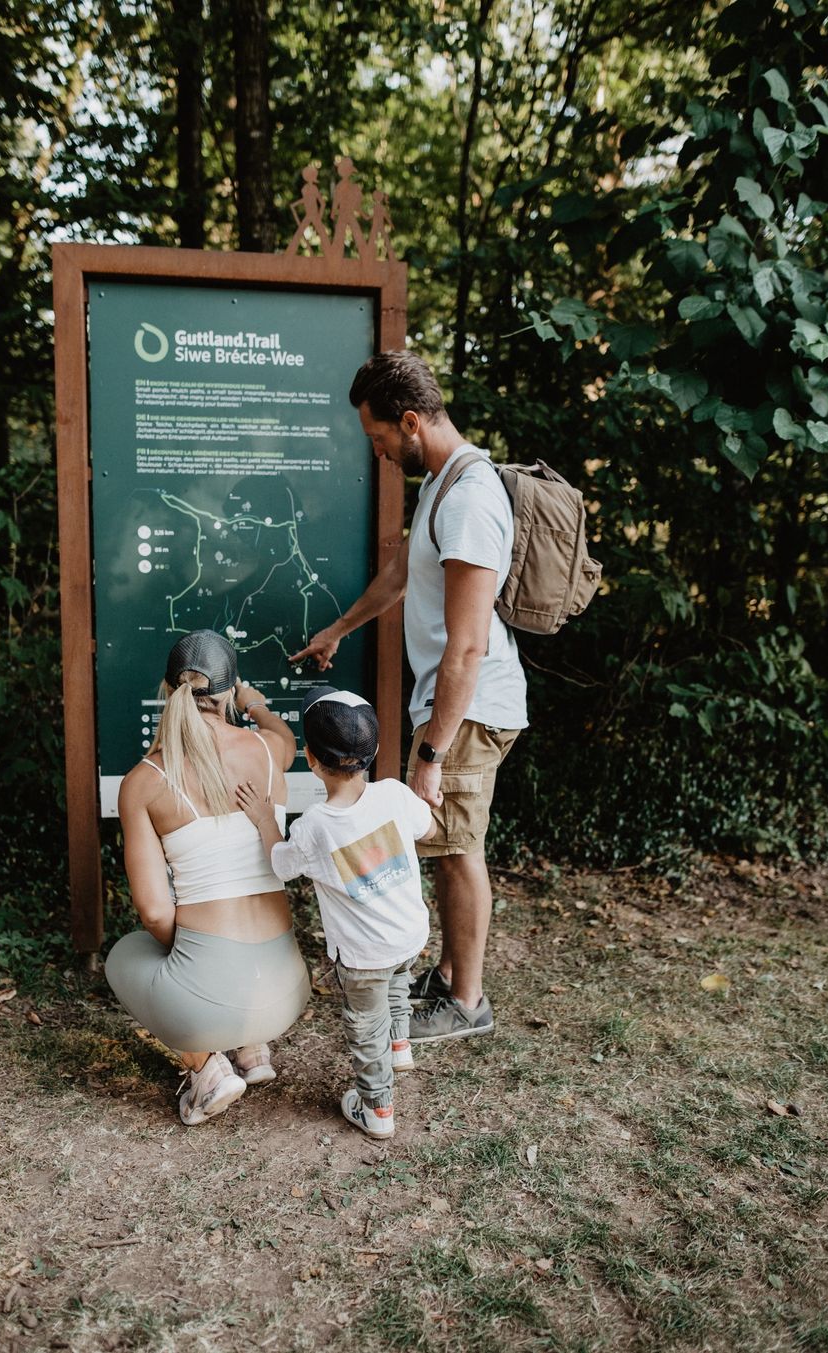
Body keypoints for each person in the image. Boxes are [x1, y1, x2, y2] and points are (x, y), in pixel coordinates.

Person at [289, 351, 527, 1043]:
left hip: (469, 708)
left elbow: (468, 646)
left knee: (459, 849)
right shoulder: (442, 486)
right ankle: (450, 976)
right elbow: (400, 574)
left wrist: (432, 754)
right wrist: (338, 629)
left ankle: (468, 1002)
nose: (379, 451)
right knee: (449, 841)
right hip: (454, 706)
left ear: (412, 421)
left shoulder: (471, 498)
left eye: (379, 436)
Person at [105, 630, 311, 1125]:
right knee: (225, 961)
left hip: (210, 1005)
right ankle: (253, 1049)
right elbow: (285, 738)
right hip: (286, 991)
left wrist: (204, 956)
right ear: (229, 691)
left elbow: (155, 912)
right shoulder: (268, 751)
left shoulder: (144, 782)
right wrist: (256, 706)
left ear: (167, 689)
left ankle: (208, 1071)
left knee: (124, 956)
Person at [237, 687, 434, 1139]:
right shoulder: (395, 794)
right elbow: (426, 828)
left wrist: (266, 821)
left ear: (309, 758)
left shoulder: (314, 828)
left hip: (364, 957)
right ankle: (399, 1044)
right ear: (374, 752)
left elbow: (282, 866)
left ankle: (377, 1107)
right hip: (409, 934)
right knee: (398, 979)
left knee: (366, 1025)